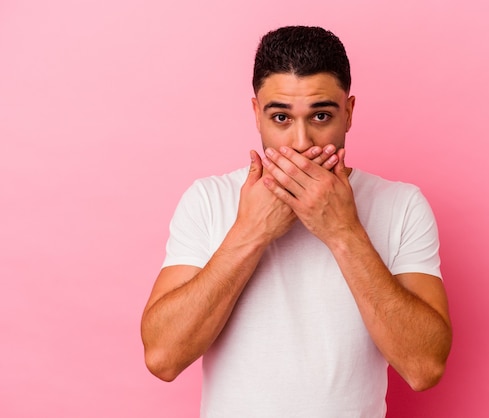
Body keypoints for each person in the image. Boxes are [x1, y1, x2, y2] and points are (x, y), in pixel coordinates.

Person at [141, 25, 452, 417]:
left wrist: (343, 232)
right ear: (256, 114)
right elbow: (163, 357)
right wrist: (251, 233)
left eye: (321, 115)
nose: (301, 142)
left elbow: (424, 368)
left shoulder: (401, 205)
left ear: (350, 113)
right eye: (281, 118)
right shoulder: (208, 200)